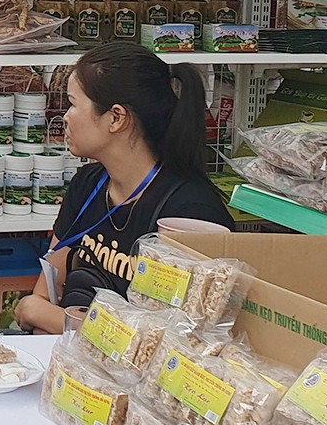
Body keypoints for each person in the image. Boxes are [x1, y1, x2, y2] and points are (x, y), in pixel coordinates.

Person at [14, 43, 234, 334]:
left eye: (73, 104)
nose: (64, 117)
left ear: (116, 118)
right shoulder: (88, 184)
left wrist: (56, 320)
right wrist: (43, 315)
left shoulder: (189, 215)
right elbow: (44, 291)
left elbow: (171, 339)